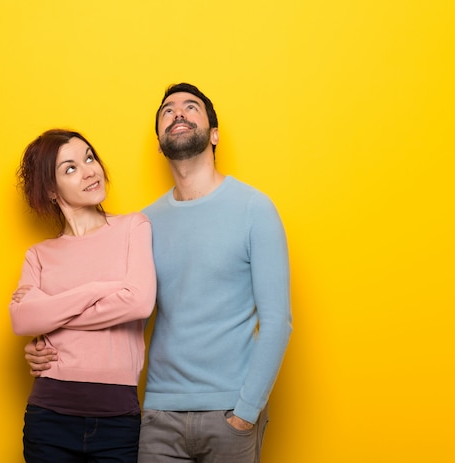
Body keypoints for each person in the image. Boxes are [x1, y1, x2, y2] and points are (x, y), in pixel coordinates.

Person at [24, 84, 292, 463]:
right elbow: (126, 311)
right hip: (157, 416)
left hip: (230, 412)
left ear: (214, 134)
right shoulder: (144, 223)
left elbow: (278, 321)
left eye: (191, 107)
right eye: (168, 110)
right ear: (160, 142)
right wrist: (47, 342)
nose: (178, 113)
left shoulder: (255, 209)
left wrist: (246, 412)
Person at [9, 129, 157, 463]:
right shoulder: (39, 255)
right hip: (49, 416)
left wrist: (52, 315)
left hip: (117, 420)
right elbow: (21, 320)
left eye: (89, 158)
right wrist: (97, 290)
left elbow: (140, 302)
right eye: (70, 168)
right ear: (50, 189)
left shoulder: (133, 227)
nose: (90, 170)